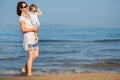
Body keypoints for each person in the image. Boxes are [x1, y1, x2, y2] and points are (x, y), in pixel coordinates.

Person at [17, 1, 39, 77]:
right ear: (20, 9)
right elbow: (23, 29)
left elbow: (35, 22)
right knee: (31, 55)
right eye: (24, 6)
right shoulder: (22, 17)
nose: (26, 7)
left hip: (33, 36)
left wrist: (36, 34)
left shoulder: (29, 15)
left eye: (26, 5)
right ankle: (29, 73)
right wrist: (33, 29)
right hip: (28, 37)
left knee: (36, 54)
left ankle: (25, 68)